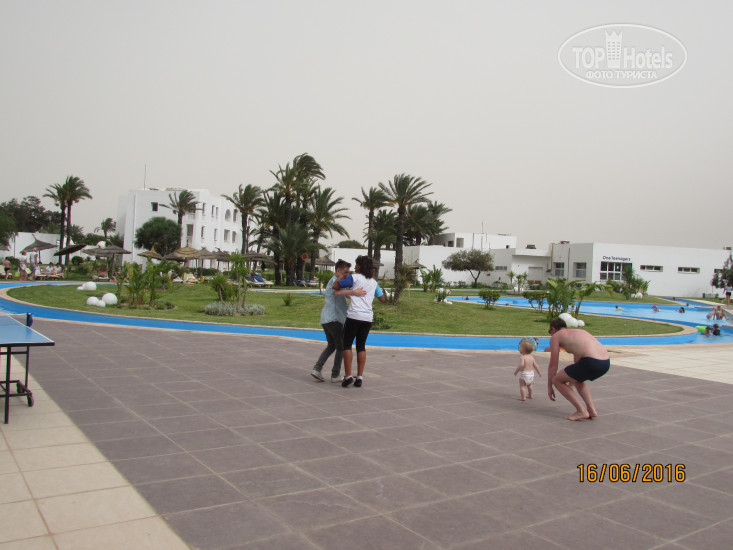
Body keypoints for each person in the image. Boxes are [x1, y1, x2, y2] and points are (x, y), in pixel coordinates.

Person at [310, 260, 366, 383]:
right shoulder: (335, 282)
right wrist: (354, 292)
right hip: (333, 319)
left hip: (326, 319)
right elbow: (338, 291)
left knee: (332, 346)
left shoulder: (337, 281)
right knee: (342, 346)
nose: (347, 275)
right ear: (338, 271)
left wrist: (357, 294)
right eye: (345, 272)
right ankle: (335, 374)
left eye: (348, 272)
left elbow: (345, 294)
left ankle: (317, 369)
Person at [334, 256, 386, 388]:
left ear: (360, 266)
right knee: (361, 346)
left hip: (354, 316)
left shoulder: (354, 277)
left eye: (356, 264)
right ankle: (359, 377)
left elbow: (336, 286)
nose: (355, 266)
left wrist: (340, 277)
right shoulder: (374, 282)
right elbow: (382, 299)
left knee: (347, 345)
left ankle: (348, 376)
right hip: (367, 318)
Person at [547, 317, 610, 421]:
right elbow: (577, 360)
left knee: (557, 380)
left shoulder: (556, 336)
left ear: (553, 329)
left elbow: (553, 365)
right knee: (578, 380)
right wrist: (572, 380)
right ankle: (591, 410)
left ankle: (581, 411)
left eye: (550, 333)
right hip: (605, 363)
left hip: (591, 361)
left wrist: (550, 386)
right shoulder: (579, 332)